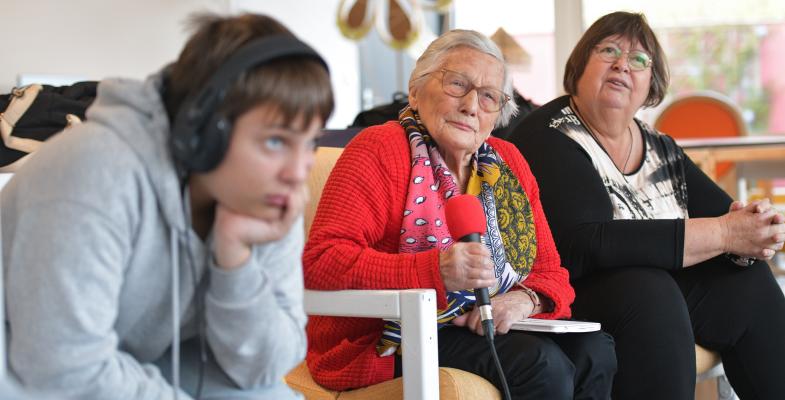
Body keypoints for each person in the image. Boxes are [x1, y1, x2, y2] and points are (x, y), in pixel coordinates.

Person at [2, 13, 334, 399]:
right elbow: (61, 365)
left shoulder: (266, 193)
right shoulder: (95, 165)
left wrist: (236, 261)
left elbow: (264, 369)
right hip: (25, 366)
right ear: (203, 133)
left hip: (129, 362)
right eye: (276, 141)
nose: (298, 172)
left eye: (309, 143)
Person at [303, 29, 616, 399]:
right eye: (457, 84)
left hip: (482, 324)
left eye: (489, 97)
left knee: (597, 351)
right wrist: (435, 272)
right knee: (540, 366)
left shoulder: (508, 163)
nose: (471, 106)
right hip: (388, 336)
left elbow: (551, 273)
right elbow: (322, 262)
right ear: (416, 91)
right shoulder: (379, 148)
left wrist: (524, 300)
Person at [508, 11, 785, 400]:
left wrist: (752, 231)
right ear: (580, 65)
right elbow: (588, 242)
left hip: (651, 295)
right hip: (561, 294)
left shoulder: (659, 147)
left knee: (748, 285)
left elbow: (729, 221)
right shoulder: (549, 134)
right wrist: (724, 233)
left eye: (639, 59)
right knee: (649, 290)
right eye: (608, 50)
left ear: (650, 83)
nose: (623, 63)